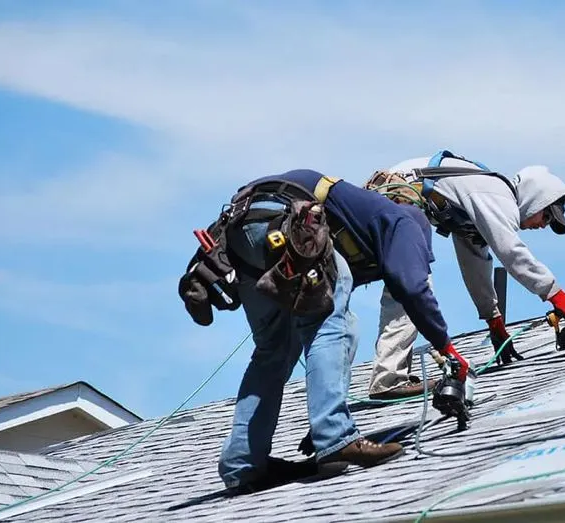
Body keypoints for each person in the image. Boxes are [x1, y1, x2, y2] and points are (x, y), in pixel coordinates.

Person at [177, 169, 470, 489]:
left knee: (274, 351)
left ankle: (242, 463)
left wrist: (324, 404)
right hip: (282, 219)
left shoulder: (359, 226)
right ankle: (335, 435)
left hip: (241, 231)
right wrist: (447, 349)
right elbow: (412, 288)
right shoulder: (406, 223)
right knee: (333, 324)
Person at [363, 150, 565, 394]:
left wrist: (493, 319)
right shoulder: (497, 195)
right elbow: (511, 251)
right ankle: (388, 380)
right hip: (395, 201)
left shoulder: (484, 201)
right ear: (536, 201)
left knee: (408, 286)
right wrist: (555, 294)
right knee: (414, 286)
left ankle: (391, 375)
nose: (542, 225)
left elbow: (475, 263)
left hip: (391, 203)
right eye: (546, 216)